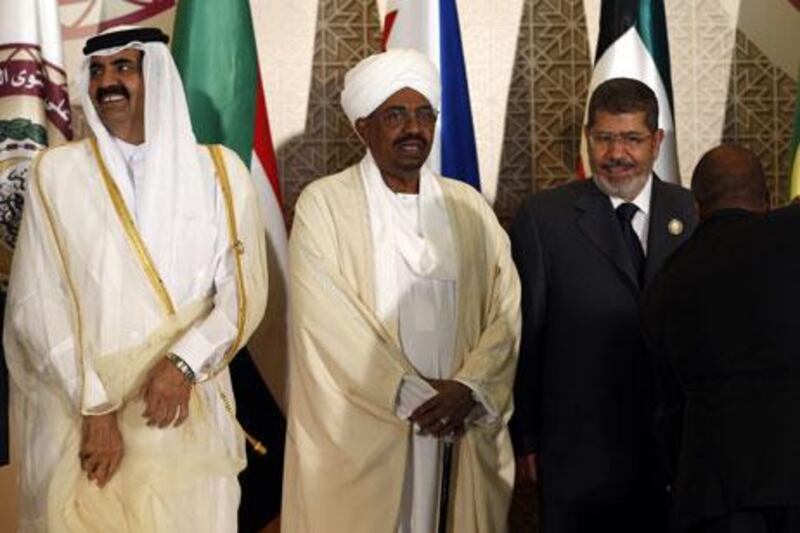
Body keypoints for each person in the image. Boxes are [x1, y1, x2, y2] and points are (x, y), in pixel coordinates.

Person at [3, 26, 268, 532]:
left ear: (159, 77)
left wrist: (182, 366)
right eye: (98, 70)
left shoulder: (219, 172)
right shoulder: (55, 174)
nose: (108, 81)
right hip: (87, 417)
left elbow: (244, 290)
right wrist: (96, 405)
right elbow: (37, 300)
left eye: (125, 67)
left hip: (183, 413)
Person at [281, 49, 521, 533]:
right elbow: (327, 325)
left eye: (424, 114)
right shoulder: (325, 205)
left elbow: (506, 311)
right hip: (370, 427)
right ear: (362, 127)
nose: (414, 129)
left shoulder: (468, 206)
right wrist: (414, 397)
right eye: (395, 115)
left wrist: (468, 388)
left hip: (459, 420)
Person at [509, 77, 697, 532]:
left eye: (632, 139)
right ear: (588, 138)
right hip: (577, 458)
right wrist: (525, 438)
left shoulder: (692, 212)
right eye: (605, 138)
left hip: (676, 459)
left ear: (657, 142)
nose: (617, 154)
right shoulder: (543, 219)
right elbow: (525, 337)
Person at [642, 145, 800, 533]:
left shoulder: (667, 280)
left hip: (715, 489)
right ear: (768, 199)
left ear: (697, 208)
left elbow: (667, 403)